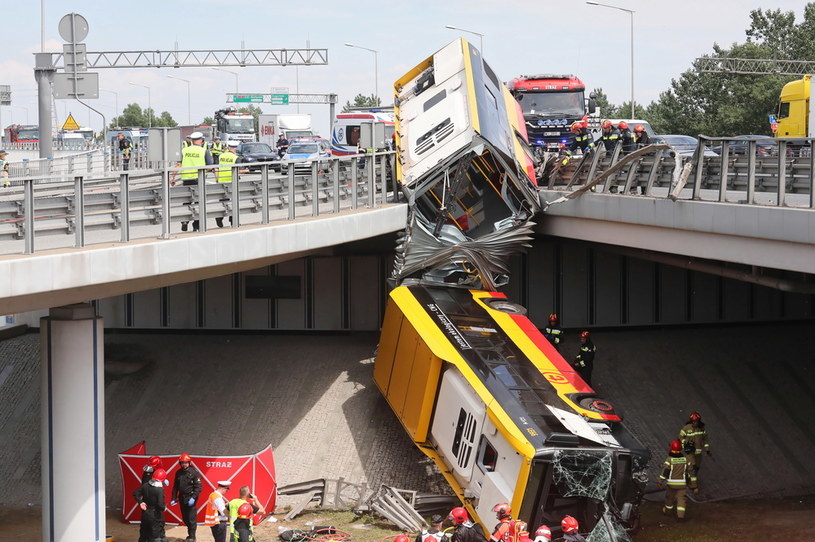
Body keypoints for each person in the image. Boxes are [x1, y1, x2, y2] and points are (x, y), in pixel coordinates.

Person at [173, 131, 214, 232]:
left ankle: (184, 220)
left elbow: (178, 165)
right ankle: (196, 225)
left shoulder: (184, 150)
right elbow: (210, 167)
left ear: (191, 140)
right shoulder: (204, 151)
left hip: (186, 179)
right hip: (198, 180)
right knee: (199, 202)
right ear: (201, 140)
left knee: (187, 200)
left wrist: (172, 177)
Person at [657, 439, 697, 520]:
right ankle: (680, 517)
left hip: (671, 484)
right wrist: (692, 485)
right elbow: (689, 471)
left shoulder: (669, 460)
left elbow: (665, 472)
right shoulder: (685, 459)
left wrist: (660, 482)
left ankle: (667, 512)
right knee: (682, 500)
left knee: (669, 498)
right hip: (682, 484)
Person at [171, 452, 202, 542]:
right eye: (182, 463)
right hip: (182, 498)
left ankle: (192, 537)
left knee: (191, 518)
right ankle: (190, 535)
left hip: (191, 497)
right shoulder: (178, 473)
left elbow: (198, 487)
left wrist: (193, 497)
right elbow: (175, 486)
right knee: (185, 518)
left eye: (185, 462)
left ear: (189, 463)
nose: (184, 464)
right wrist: (173, 498)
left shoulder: (194, 472)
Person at [133, 467, 168, 542]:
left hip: (145, 513)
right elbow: (160, 504)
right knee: (155, 536)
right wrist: (164, 508)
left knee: (144, 533)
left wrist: (141, 502)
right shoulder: (159, 490)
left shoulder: (145, 485)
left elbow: (135, 493)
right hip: (155, 515)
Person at [679, 411, 711, 481]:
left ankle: (690, 475)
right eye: (694, 421)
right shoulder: (686, 428)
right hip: (690, 451)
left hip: (698, 453)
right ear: (691, 421)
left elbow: (705, 439)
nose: (695, 423)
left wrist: (707, 449)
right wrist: (686, 443)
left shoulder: (702, 429)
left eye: (697, 421)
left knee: (697, 466)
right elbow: (680, 437)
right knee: (691, 466)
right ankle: (688, 478)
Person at [215, 140, 241, 228]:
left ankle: (219, 217)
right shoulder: (236, 158)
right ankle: (233, 221)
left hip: (222, 181)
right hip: (232, 181)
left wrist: (217, 179)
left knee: (223, 202)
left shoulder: (221, 156)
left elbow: (216, 169)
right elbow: (240, 170)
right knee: (234, 202)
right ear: (235, 148)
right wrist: (247, 170)